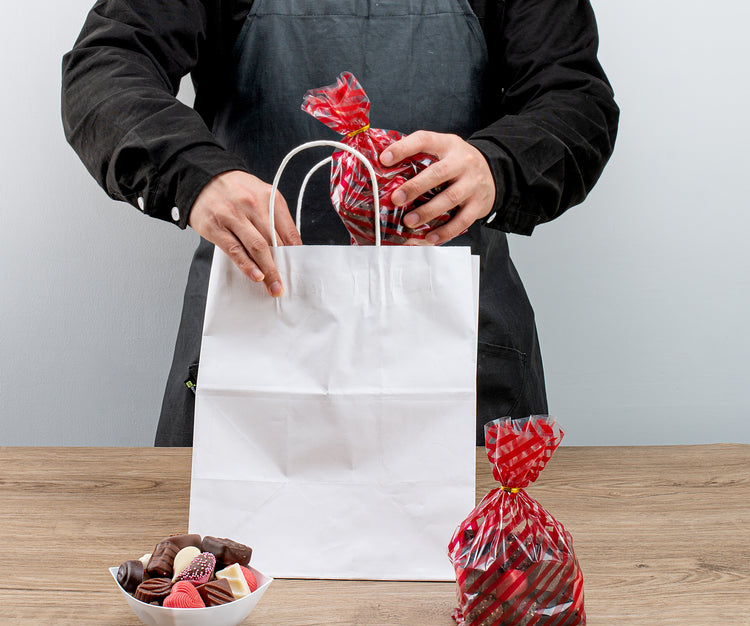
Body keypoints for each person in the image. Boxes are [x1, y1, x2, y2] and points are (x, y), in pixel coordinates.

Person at [61, 0, 619, 446]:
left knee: (483, 553)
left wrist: (497, 165)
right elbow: (107, 67)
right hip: (256, 335)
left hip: (461, 350)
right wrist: (193, 174)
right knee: (225, 551)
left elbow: (575, 98)